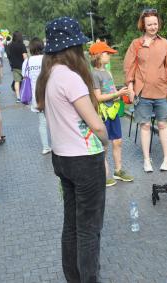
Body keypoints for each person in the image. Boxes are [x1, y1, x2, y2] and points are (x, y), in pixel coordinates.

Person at [35, 17, 108, 282]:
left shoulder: (49, 76)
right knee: (90, 229)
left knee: (72, 226)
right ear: (73, 47)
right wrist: (106, 141)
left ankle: (73, 277)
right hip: (84, 159)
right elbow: (96, 125)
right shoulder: (71, 78)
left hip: (62, 158)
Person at [123, 8, 167, 172]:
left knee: (162, 124)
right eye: (149, 24)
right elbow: (129, 67)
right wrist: (130, 87)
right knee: (145, 126)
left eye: (155, 23)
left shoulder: (165, 43)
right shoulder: (136, 44)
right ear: (143, 25)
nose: (153, 27)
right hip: (142, 93)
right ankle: (147, 160)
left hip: (162, 92)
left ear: (158, 24)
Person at [89, 41, 134, 187]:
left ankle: (118, 170)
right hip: (103, 114)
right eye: (106, 53)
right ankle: (103, 175)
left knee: (118, 141)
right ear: (97, 56)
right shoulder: (94, 74)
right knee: (104, 145)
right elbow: (98, 97)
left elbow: (112, 90)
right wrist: (117, 93)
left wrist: (122, 94)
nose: (109, 56)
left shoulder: (107, 72)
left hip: (113, 111)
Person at [21, 37, 51, 155]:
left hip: (35, 95)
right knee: (55, 119)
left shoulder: (27, 62)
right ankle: (58, 144)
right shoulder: (46, 59)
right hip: (49, 93)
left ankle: (45, 147)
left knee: (42, 122)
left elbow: (25, 77)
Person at [7, 31, 27, 102]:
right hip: (22, 66)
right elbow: (24, 56)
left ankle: (18, 97)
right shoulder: (22, 45)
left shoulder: (10, 45)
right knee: (25, 80)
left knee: (17, 81)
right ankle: (25, 95)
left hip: (14, 66)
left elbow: (8, 56)